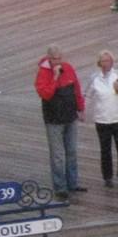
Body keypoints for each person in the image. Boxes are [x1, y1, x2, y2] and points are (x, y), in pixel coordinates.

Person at [34, 47, 85, 202]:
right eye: (55, 59)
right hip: (54, 120)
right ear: (49, 58)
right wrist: (55, 78)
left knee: (72, 152)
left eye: (59, 58)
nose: (58, 62)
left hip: (70, 116)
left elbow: (76, 88)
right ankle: (60, 187)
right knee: (57, 156)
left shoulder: (68, 68)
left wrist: (81, 108)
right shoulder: (42, 74)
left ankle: (73, 183)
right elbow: (45, 94)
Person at [85, 49, 118, 188]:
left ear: (112, 62)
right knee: (105, 149)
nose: (106, 63)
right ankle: (107, 177)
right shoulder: (94, 78)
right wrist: (84, 112)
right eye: (103, 61)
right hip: (102, 119)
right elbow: (87, 95)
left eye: (108, 60)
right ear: (99, 63)